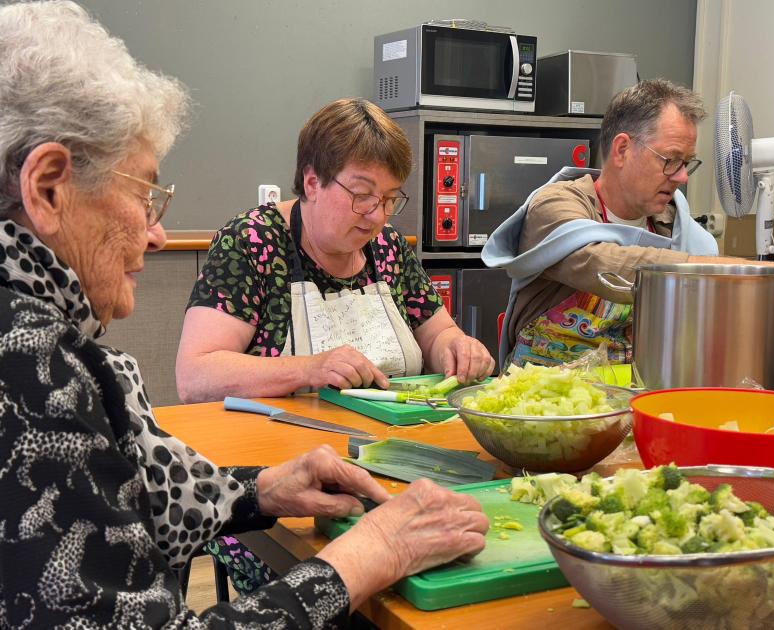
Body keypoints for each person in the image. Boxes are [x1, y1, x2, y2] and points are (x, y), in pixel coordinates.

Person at [0, 2, 488, 627]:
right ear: (48, 189)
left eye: (387, 200)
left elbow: (136, 493)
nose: (155, 234)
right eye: (145, 193)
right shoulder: (27, 363)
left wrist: (258, 489)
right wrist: (374, 552)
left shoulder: (42, 333)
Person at [482, 79, 774, 367]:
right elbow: (605, 263)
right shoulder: (556, 206)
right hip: (540, 401)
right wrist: (742, 270)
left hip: (637, 402)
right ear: (622, 150)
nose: (684, 177)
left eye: (688, 163)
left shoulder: (680, 230)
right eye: (671, 160)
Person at [176, 97, 495, 402]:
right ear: (313, 183)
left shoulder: (387, 246)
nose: (377, 215)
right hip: (282, 446)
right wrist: (308, 369)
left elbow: (438, 335)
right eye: (362, 194)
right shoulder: (253, 240)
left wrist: (457, 349)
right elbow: (196, 376)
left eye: (389, 199)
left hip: (387, 438)